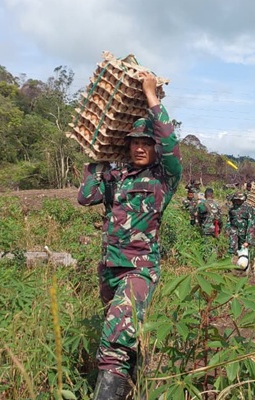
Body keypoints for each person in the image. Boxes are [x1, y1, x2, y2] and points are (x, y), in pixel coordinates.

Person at [77, 72, 182, 400]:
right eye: (135, 142)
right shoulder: (116, 175)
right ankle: (135, 388)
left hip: (139, 269)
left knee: (116, 338)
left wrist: (151, 96)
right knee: (125, 336)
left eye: (146, 143)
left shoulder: (163, 178)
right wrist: (99, 159)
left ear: (154, 148)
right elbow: (85, 197)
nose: (139, 147)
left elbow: (170, 142)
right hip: (109, 268)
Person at [227, 192, 253, 257]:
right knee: (231, 249)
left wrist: (248, 239)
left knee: (243, 251)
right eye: (236, 200)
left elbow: (250, 224)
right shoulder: (232, 209)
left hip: (243, 233)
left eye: (240, 200)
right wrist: (227, 230)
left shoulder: (248, 209)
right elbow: (228, 220)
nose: (238, 201)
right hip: (233, 232)